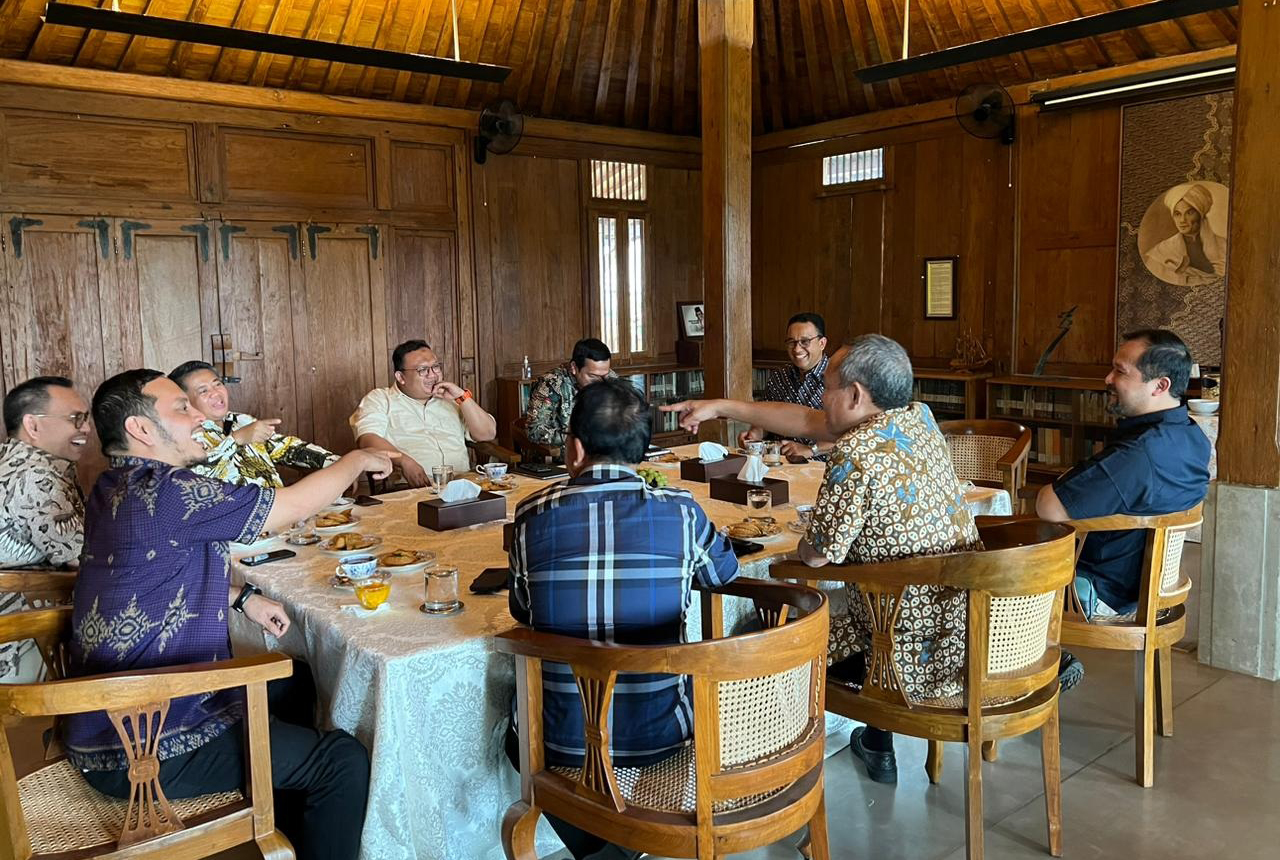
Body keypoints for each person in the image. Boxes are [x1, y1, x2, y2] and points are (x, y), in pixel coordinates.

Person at [66, 369, 396, 860]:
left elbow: (150, 575)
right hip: (145, 743)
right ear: (139, 429)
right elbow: (287, 507)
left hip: (112, 714)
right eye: (182, 407)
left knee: (297, 680)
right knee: (342, 760)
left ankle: (284, 829)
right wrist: (356, 459)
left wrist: (241, 597)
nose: (200, 416)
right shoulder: (169, 489)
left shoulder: (113, 485)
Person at [662, 334, 979, 786]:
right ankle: (874, 740)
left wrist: (786, 557)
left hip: (899, 654)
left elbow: (815, 557)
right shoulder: (918, 418)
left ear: (854, 396)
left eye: (828, 388)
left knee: (757, 636)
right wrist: (720, 405)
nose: (820, 399)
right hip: (958, 631)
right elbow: (809, 421)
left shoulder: (855, 453)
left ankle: (755, 778)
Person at [507, 378, 739, 860]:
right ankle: (621, 847)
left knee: (508, 728)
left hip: (563, 743)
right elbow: (723, 574)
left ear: (574, 448)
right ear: (645, 450)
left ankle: (610, 848)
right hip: (664, 733)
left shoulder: (531, 514)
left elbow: (523, 612)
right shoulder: (681, 511)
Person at [1036, 329, 1210, 690]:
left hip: (1100, 594)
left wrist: (1072, 477)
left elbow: (1048, 506)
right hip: (1149, 587)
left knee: (984, 577)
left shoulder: (1139, 455)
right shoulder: (1192, 437)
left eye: (1120, 372)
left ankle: (1022, 675)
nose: (1108, 379)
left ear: (1159, 385)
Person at [0, 376, 91, 682]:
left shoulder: (12, 460)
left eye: (86, 418)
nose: (87, 429)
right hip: (17, 643)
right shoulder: (36, 476)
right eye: (75, 419)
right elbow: (87, 560)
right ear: (33, 425)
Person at [350, 339, 497, 488]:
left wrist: (462, 397)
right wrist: (404, 461)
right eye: (423, 370)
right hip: (412, 488)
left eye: (436, 367)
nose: (432, 375)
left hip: (462, 484)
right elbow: (367, 439)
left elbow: (487, 433)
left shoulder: (451, 399)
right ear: (401, 377)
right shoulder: (380, 399)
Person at [169, 360, 338, 488]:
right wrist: (235, 440)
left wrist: (336, 463)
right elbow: (196, 476)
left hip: (281, 512)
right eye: (203, 391)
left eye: (217, 384)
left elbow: (285, 447)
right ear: (186, 401)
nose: (216, 393)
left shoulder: (241, 421)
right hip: (237, 526)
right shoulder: (187, 435)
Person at [740, 312, 831, 460]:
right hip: (779, 464)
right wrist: (754, 435)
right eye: (791, 342)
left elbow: (852, 432)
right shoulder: (779, 377)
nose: (797, 349)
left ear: (822, 343)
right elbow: (765, 418)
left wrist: (811, 450)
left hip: (822, 468)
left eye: (805, 342)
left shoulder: (839, 378)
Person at [522, 338, 615, 448]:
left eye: (605, 376)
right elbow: (534, 431)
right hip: (565, 456)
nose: (600, 382)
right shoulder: (551, 384)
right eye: (593, 377)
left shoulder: (610, 378)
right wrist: (579, 437)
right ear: (574, 368)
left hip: (607, 453)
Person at [1143, 183, 1227, 287]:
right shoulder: (1162, 250)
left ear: (1200, 215)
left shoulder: (1224, 245)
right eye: (1177, 214)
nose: (1182, 220)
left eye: (1189, 213)